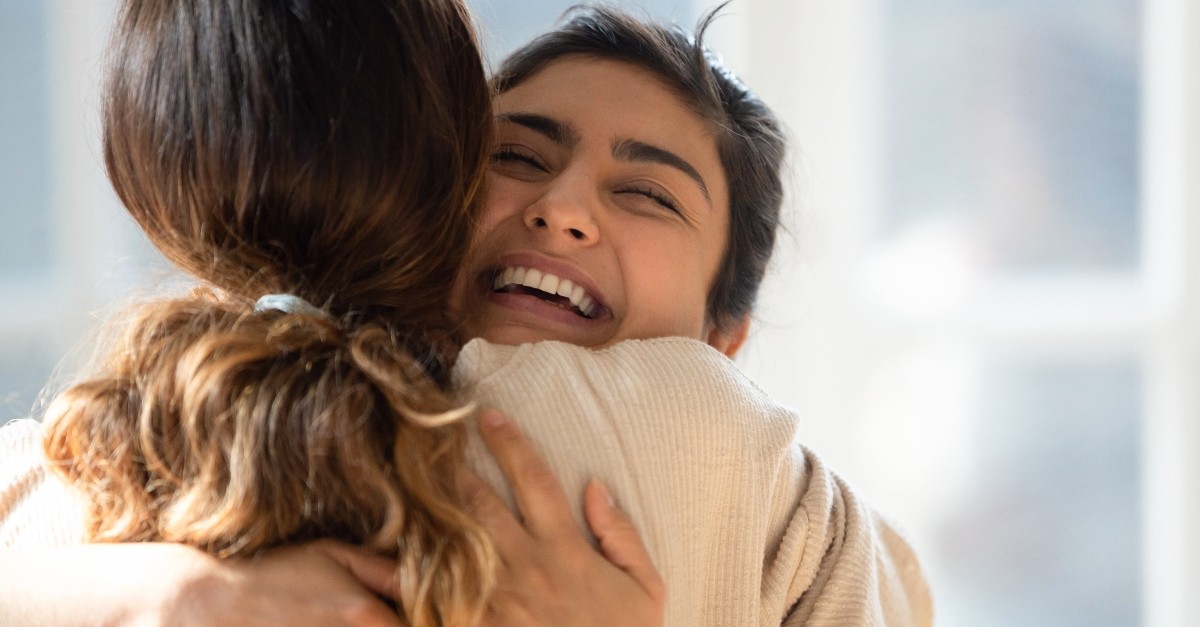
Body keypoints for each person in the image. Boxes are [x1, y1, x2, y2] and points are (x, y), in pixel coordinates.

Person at [1, 3, 932, 626]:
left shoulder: (790, 511)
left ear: (725, 339)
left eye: (648, 193)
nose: (563, 206)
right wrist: (167, 593)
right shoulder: (136, 427)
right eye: (519, 157)